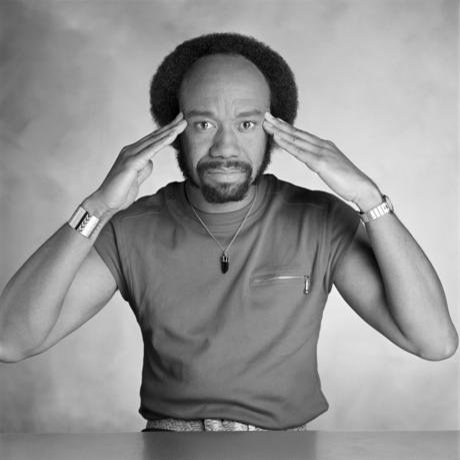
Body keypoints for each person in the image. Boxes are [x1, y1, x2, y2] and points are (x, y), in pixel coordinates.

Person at [0, 33, 457, 433]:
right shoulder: (131, 229)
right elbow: (10, 341)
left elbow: (434, 342)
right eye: (203, 124)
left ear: (274, 132)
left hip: (285, 448)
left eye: (247, 123)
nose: (225, 147)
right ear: (173, 133)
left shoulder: (319, 219)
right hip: (170, 445)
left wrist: (368, 197)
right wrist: (97, 207)